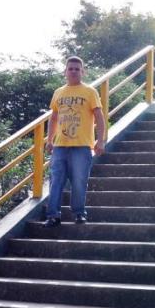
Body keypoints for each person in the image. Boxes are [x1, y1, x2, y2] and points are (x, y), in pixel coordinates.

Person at [44, 56, 106, 227]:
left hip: (82, 146)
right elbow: (54, 118)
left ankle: (79, 213)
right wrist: (49, 139)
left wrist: (100, 141)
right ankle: (53, 216)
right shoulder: (58, 92)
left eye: (77, 69)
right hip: (60, 146)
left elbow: (99, 117)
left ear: (83, 72)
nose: (73, 71)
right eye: (70, 68)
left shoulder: (90, 92)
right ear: (65, 71)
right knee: (56, 180)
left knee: (79, 180)